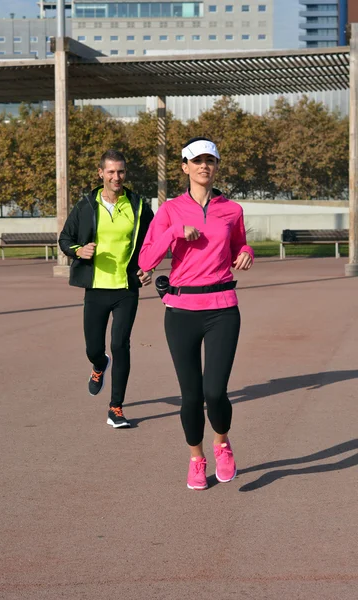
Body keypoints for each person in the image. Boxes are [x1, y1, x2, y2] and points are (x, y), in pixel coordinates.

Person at [139, 137, 254, 490]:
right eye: (197, 160)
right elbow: (146, 260)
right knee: (191, 396)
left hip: (222, 309)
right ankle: (196, 459)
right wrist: (174, 231)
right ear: (185, 167)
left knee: (215, 392)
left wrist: (247, 251)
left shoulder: (231, 209)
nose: (205, 166)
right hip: (181, 310)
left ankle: (222, 445)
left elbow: (238, 244)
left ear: (216, 166)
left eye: (210, 160)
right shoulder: (171, 210)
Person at [59, 149, 154, 428]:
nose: (116, 177)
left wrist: (147, 268)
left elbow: (153, 241)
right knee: (94, 348)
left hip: (126, 288)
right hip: (96, 289)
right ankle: (99, 365)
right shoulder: (86, 205)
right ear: (100, 173)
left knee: (120, 344)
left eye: (121, 171)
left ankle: (116, 408)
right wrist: (79, 250)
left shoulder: (137, 205)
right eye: (111, 172)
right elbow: (65, 239)